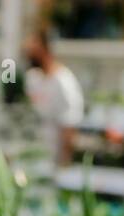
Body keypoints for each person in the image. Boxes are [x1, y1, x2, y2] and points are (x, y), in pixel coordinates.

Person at [24, 30, 84, 166]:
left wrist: (64, 163)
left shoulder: (64, 82)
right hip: (32, 157)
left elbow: (70, 126)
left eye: (33, 50)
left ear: (44, 49)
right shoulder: (33, 78)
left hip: (53, 160)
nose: (29, 55)